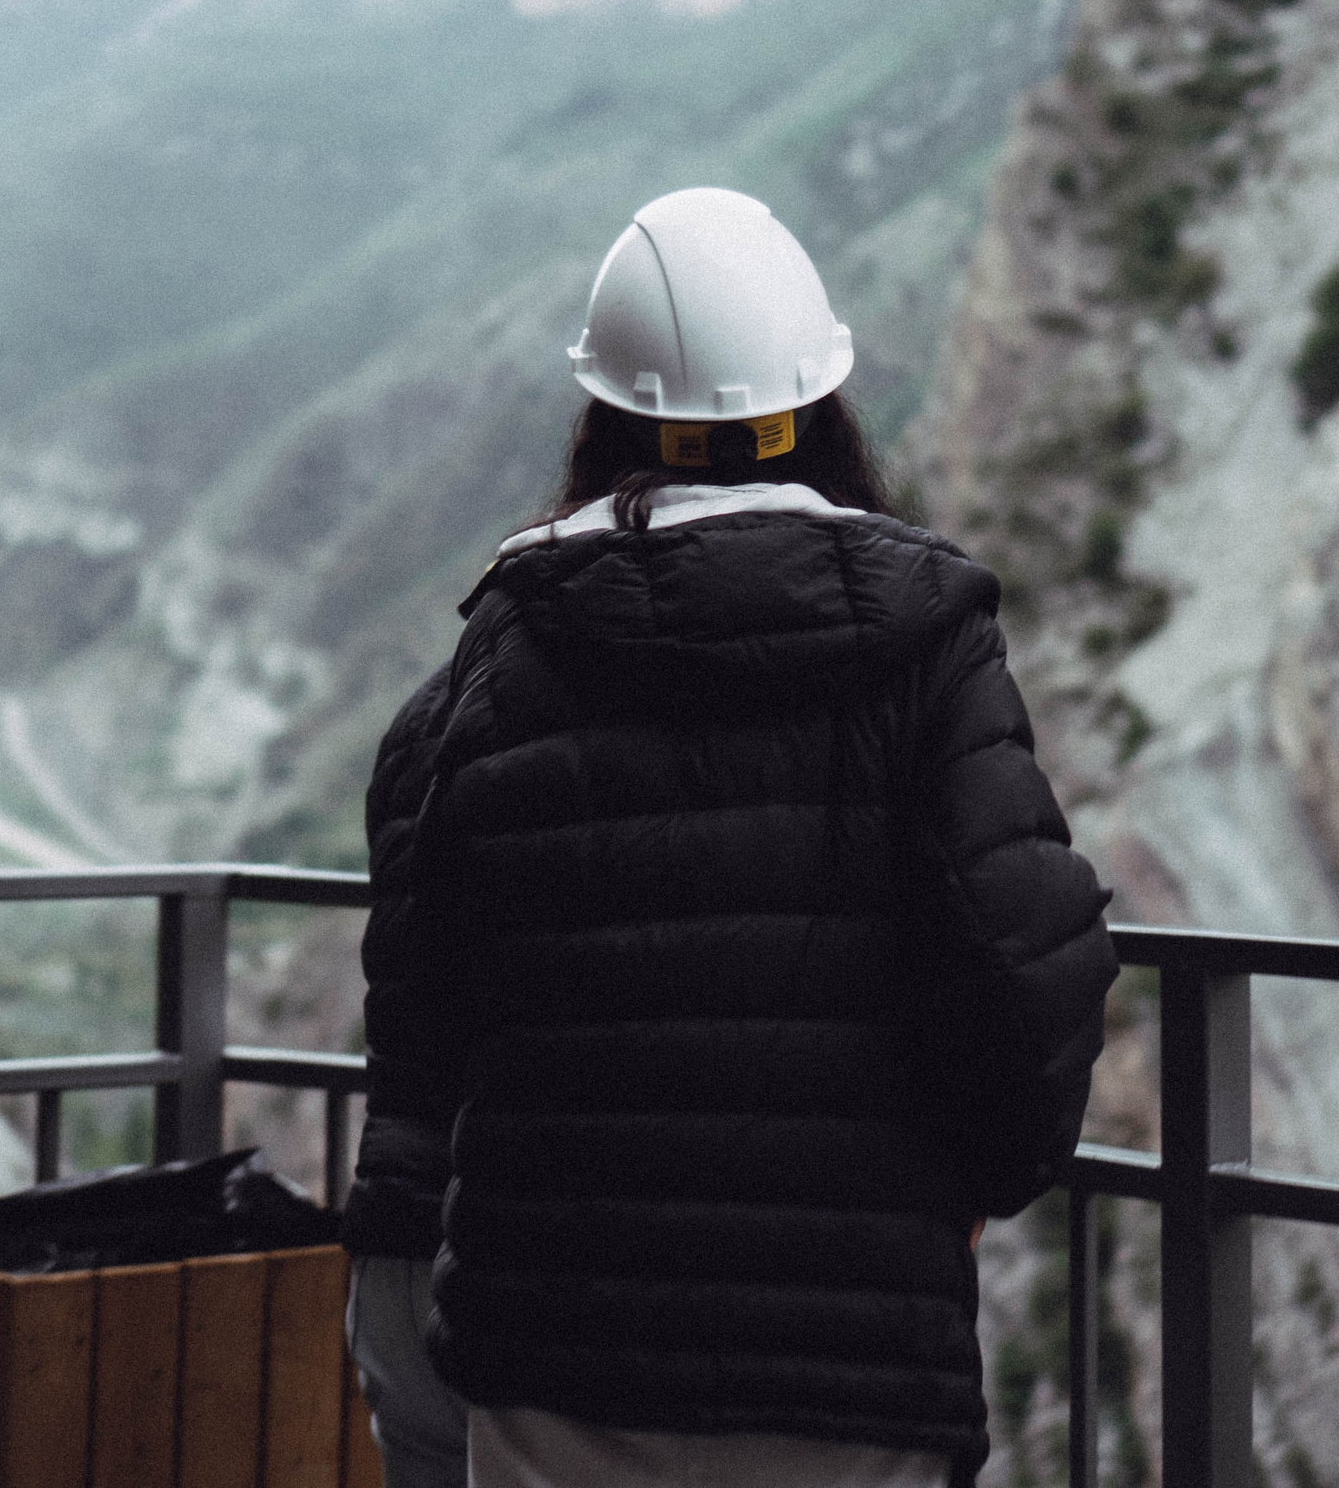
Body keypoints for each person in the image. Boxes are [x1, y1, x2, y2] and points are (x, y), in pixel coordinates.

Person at [342, 186, 1117, 1488]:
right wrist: (976, 1179)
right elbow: (1022, 967)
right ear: (819, 406)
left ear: (609, 416)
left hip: (556, 1363)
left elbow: (422, 1029)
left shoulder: (505, 654)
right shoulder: (927, 644)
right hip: (853, 1361)